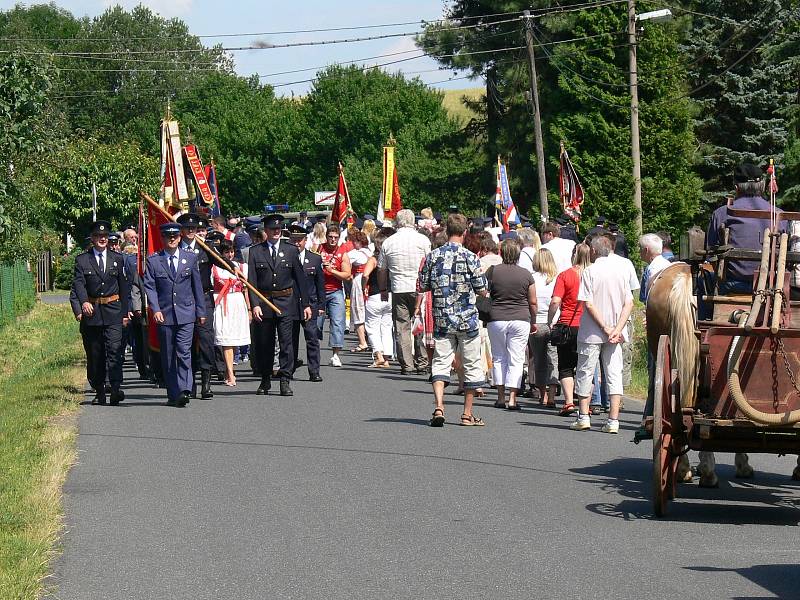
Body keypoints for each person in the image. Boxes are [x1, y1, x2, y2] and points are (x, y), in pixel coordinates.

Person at [416, 213, 488, 427]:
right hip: (467, 320)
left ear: (446, 231)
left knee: (440, 363)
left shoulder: (433, 256)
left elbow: (422, 285)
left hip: (442, 318)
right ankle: (467, 414)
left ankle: (439, 406)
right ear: (465, 232)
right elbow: (482, 289)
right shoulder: (471, 257)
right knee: (472, 365)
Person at [569, 236, 634, 433]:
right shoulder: (621, 272)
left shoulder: (590, 271)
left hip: (592, 331)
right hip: (616, 331)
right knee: (614, 373)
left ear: (594, 251)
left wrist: (605, 327)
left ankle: (583, 416)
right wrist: (617, 328)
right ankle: (613, 420)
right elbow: (629, 303)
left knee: (586, 372)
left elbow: (588, 303)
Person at [142, 222, 206, 407]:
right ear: (162, 239)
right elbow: (150, 287)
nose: (172, 239)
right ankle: (173, 392)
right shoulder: (154, 261)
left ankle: (185, 388)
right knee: (169, 355)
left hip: (186, 313)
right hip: (165, 314)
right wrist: (155, 309)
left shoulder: (190, 258)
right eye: (168, 237)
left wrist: (201, 311)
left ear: (180, 238)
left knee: (184, 351)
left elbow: (197, 287)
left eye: (175, 237)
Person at [248, 214, 311, 396]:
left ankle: (285, 379)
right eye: (273, 229)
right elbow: (252, 281)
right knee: (265, 344)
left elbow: (300, 279)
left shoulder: (290, 250)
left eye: (279, 229)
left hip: (286, 302)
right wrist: (255, 305)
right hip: (265, 303)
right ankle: (266, 378)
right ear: (266, 231)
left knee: (286, 344)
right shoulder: (256, 251)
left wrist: (305, 304)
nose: (276, 232)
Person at [71, 220, 130, 405]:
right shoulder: (82, 259)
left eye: (104, 236)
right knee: (96, 353)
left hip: (113, 310)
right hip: (93, 312)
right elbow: (79, 284)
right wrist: (84, 302)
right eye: (98, 236)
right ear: (93, 239)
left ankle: (115, 387)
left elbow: (124, 287)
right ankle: (99, 389)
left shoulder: (117, 258)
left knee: (114, 350)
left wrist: (125, 313)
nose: (101, 239)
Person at [706, 162, 779, 295]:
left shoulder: (721, 213)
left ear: (736, 187)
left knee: (702, 280)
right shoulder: (779, 215)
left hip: (731, 285)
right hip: (772, 286)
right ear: (762, 186)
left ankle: (702, 316)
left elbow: (710, 253)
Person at [378, 208, 432, 375]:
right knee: (419, 324)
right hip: (420, 288)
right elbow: (429, 264)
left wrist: (382, 288)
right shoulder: (423, 240)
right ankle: (422, 362)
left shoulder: (389, 242)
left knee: (402, 327)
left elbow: (382, 269)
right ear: (412, 222)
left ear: (397, 222)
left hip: (399, 287)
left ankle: (406, 364)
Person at [485, 239, 537, 411]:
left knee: (499, 357)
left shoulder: (492, 271)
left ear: (501, 253)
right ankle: (513, 398)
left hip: (497, 318)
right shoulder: (526, 274)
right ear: (518, 254)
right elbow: (533, 301)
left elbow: (483, 292)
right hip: (520, 318)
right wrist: (533, 320)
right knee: (516, 359)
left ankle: (500, 397)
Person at [548, 243, 591, 416]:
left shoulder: (565, 275)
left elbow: (555, 301)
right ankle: (586, 404)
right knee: (586, 366)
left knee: (565, 366)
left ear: (574, 255)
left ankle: (568, 402)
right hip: (589, 326)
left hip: (567, 325)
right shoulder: (593, 275)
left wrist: (550, 320)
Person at [178, 213, 216, 400]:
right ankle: (189, 382)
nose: (192, 231)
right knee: (186, 343)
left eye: (194, 228)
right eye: (188, 228)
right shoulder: (176, 250)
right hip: (184, 301)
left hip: (205, 299)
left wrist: (234, 268)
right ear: (182, 231)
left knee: (206, 339)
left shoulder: (205, 248)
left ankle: (206, 383)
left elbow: (222, 262)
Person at [211, 240, 251, 386]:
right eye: (226, 252)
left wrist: (249, 308)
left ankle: (229, 370)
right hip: (221, 303)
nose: (230, 254)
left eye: (232, 251)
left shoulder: (242, 267)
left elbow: (246, 289)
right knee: (225, 339)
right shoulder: (215, 268)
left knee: (233, 340)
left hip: (237, 302)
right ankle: (230, 373)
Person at [288, 224, 324, 382]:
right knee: (290, 339)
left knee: (312, 338)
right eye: (294, 240)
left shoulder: (315, 258)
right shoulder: (286, 257)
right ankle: (289, 369)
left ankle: (314, 371)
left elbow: (320, 284)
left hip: (311, 303)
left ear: (305, 240)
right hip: (291, 304)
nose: (297, 243)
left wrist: (322, 305)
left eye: (300, 240)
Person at [317, 224, 352, 366]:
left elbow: (347, 275)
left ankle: (336, 354)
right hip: (319, 291)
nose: (333, 240)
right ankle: (314, 350)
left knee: (337, 323)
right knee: (316, 324)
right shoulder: (318, 248)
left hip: (335, 291)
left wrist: (332, 271)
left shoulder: (343, 252)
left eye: (335, 237)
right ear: (326, 237)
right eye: (330, 237)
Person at [530, 248, 560, 407]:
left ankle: (543, 395)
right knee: (553, 360)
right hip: (554, 323)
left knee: (538, 360)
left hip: (536, 323)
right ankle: (553, 394)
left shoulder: (532, 278)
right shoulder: (555, 278)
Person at [363, 227, 395, 368]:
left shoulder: (374, 259)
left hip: (375, 294)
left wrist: (364, 286)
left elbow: (365, 275)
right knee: (387, 327)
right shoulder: (392, 260)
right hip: (390, 295)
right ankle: (387, 357)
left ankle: (379, 355)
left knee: (372, 327)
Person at [346, 230, 372, 353]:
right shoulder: (370, 251)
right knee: (368, 312)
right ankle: (370, 341)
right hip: (370, 283)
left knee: (357, 310)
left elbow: (344, 260)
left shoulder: (355, 253)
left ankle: (362, 342)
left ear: (357, 242)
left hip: (359, 280)